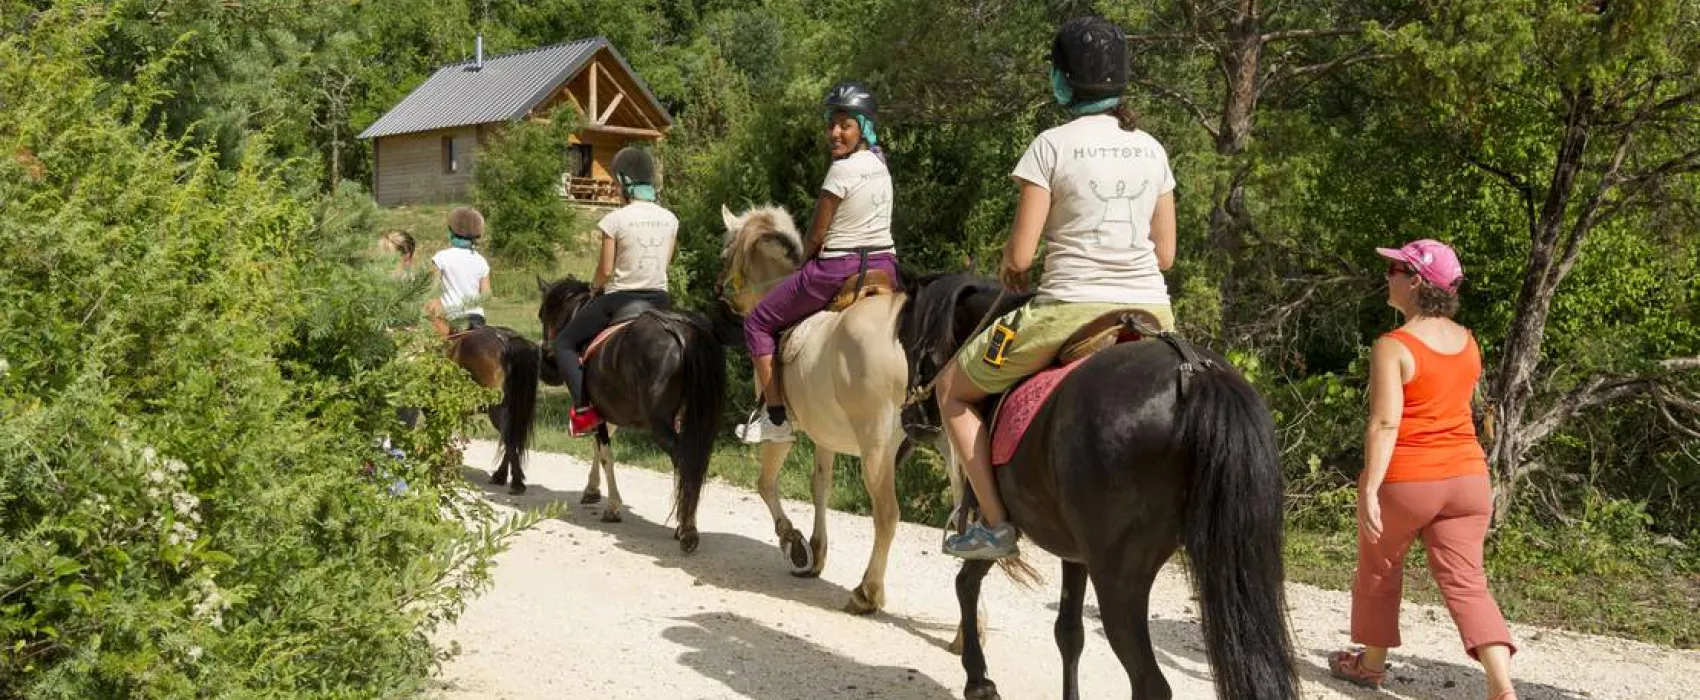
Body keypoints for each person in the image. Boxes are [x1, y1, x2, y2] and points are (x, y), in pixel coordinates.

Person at [936, 15, 1179, 560]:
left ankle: (995, 527)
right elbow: (1165, 255)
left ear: (1065, 79)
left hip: (1069, 309)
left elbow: (1021, 255)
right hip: (1152, 313)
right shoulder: (1154, 149)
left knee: (951, 392)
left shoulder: (1050, 146)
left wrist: (1013, 267)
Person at [1329, 240, 1517, 700]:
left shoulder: (1393, 346)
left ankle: (1370, 666)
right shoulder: (1468, 340)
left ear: (1416, 282)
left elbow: (1386, 422)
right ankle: (1502, 687)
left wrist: (1370, 488)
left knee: (1380, 567)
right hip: (1469, 479)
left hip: (1410, 478)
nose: (1387, 276)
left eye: (1395, 269)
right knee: (1468, 582)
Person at [735, 81, 900, 444]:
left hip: (837, 270)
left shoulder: (841, 171)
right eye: (832, 124)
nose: (835, 133)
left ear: (863, 128)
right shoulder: (879, 163)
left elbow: (816, 235)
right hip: (886, 267)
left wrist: (802, 267)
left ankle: (775, 418)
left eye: (846, 125)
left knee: (758, 323)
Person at [552, 146, 679, 437]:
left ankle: (584, 411)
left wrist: (595, 289)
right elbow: (666, 262)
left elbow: (606, 270)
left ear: (622, 183)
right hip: (660, 300)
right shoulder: (671, 219)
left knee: (564, 344)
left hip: (620, 299)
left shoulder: (615, 220)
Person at [426, 206, 491, 337]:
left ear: (452, 231)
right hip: (477, 319)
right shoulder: (481, 261)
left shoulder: (441, 257)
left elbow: (431, 290)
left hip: (454, 318)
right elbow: (486, 295)